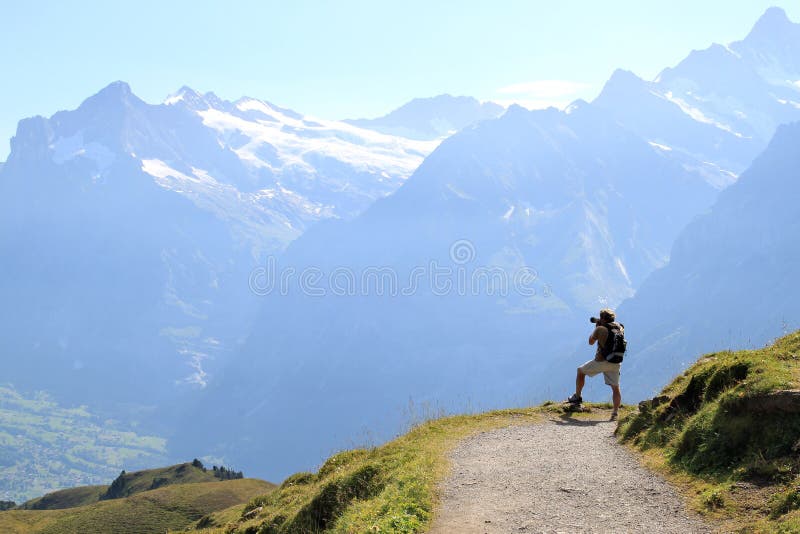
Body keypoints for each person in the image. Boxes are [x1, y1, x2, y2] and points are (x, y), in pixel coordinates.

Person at [566, 308, 623, 420]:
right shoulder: (619, 327)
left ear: (602, 318)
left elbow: (590, 342)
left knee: (580, 371)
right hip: (616, 361)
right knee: (615, 388)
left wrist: (596, 328)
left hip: (602, 361)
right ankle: (615, 413)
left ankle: (577, 397)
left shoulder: (600, 328)